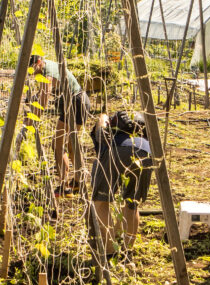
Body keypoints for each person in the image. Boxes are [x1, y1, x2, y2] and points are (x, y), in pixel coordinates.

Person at [90, 110, 153, 254]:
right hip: (146, 152)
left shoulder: (104, 128)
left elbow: (101, 123)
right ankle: (127, 251)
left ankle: (110, 252)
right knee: (132, 203)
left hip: (117, 149)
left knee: (101, 201)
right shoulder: (140, 128)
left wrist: (103, 117)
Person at [29, 53, 91, 191]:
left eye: (33, 69)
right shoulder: (47, 66)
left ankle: (64, 185)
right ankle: (77, 181)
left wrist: (33, 120)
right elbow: (41, 94)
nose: (32, 73)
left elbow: (44, 99)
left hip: (75, 103)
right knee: (70, 143)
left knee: (57, 143)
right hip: (79, 101)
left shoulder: (47, 73)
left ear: (38, 62)